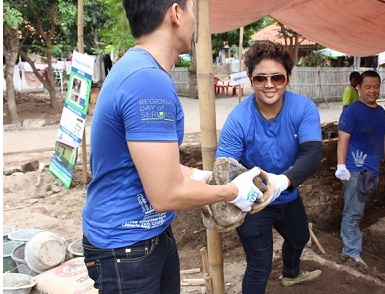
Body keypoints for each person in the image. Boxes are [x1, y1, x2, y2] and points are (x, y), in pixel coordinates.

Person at [81, 1, 263, 293]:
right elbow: (165, 194)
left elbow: (146, 163)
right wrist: (232, 192)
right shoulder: (147, 81)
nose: (194, 20)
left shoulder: (137, 68)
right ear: (176, 13)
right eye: (192, 10)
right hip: (127, 248)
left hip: (146, 237)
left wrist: (199, 176)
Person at [216, 40, 323, 294]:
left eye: (277, 77)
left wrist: (281, 183)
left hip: (287, 193)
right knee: (259, 265)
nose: (269, 85)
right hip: (254, 204)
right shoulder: (238, 120)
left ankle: (291, 274)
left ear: (288, 77)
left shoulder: (303, 108)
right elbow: (223, 168)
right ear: (251, 80)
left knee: (300, 239)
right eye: (260, 78)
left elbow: (312, 153)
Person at [335, 70, 385, 266]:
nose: (372, 91)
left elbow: (384, 138)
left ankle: (351, 232)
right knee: (353, 211)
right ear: (358, 87)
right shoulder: (352, 111)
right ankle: (351, 251)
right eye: (368, 87)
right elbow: (343, 139)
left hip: (373, 170)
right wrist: (341, 165)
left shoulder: (380, 112)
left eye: (376, 87)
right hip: (356, 170)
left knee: (358, 207)